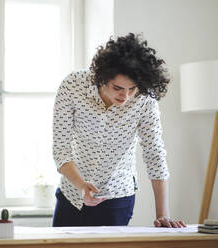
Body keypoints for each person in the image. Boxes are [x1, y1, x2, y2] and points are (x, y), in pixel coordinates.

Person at [52, 33, 185, 228]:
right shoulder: (73, 86)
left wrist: (163, 214)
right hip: (72, 195)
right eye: (118, 88)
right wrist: (81, 186)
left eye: (133, 89)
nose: (126, 96)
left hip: (117, 198)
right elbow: (61, 150)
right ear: (102, 78)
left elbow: (154, 154)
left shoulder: (145, 100)